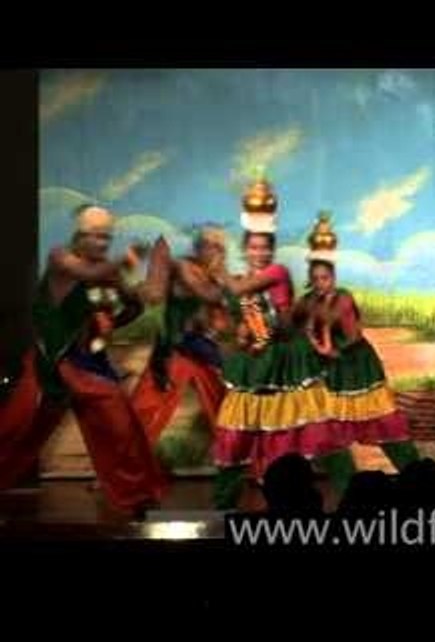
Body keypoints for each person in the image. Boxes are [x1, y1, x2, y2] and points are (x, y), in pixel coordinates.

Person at [0, 205, 168, 514]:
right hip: (52, 362)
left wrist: (123, 307)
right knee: (18, 430)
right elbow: (88, 273)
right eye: (96, 236)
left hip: (88, 365)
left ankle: (135, 499)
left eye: (107, 238)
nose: (102, 243)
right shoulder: (61, 258)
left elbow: (129, 307)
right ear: (81, 234)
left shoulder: (105, 269)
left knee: (119, 424)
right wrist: (126, 260)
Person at [210, 178, 330, 508]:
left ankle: (292, 507)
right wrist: (239, 333)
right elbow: (232, 316)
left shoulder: (275, 272)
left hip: (280, 362)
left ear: (272, 250)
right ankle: (223, 513)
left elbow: (246, 297)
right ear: (246, 248)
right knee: (237, 437)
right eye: (254, 246)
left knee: (283, 437)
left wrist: (216, 269)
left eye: (266, 247)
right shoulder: (242, 279)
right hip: (251, 365)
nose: (260, 252)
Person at [292, 212, 420, 493]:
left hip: (356, 367)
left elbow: (349, 336)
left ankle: (420, 485)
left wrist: (324, 344)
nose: (320, 283)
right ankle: (349, 492)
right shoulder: (307, 302)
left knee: (384, 428)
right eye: (315, 278)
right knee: (330, 434)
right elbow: (294, 327)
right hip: (332, 373)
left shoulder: (343, 298)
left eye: (325, 278)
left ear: (333, 277)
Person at [130, 226, 231, 447]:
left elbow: (221, 318)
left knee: (228, 401)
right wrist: (225, 281)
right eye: (208, 245)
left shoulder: (213, 274)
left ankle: (241, 464)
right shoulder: (185, 267)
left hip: (201, 347)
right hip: (175, 347)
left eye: (218, 247)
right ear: (198, 247)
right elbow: (206, 294)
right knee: (146, 407)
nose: (213, 251)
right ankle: (122, 469)